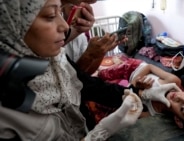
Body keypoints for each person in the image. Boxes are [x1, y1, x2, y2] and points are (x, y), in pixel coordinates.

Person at [0, 0, 158, 141]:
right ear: (11, 24)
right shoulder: (6, 112)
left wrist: (135, 93)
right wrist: (99, 133)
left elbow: (87, 84)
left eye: (60, 13)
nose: (64, 26)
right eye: (50, 15)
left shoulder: (55, 57)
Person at [96, 56, 184, 136]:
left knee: (103, 98)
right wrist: (135, 82)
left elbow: (125, 106)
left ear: (178, 120)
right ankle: (116, 64)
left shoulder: (154, 113)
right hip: (135, 68)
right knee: (103, 74)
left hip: (129, 88)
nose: (178, 97)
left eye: (182, 108)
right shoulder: (174, 81)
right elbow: (149, 67)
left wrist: (136, 90)